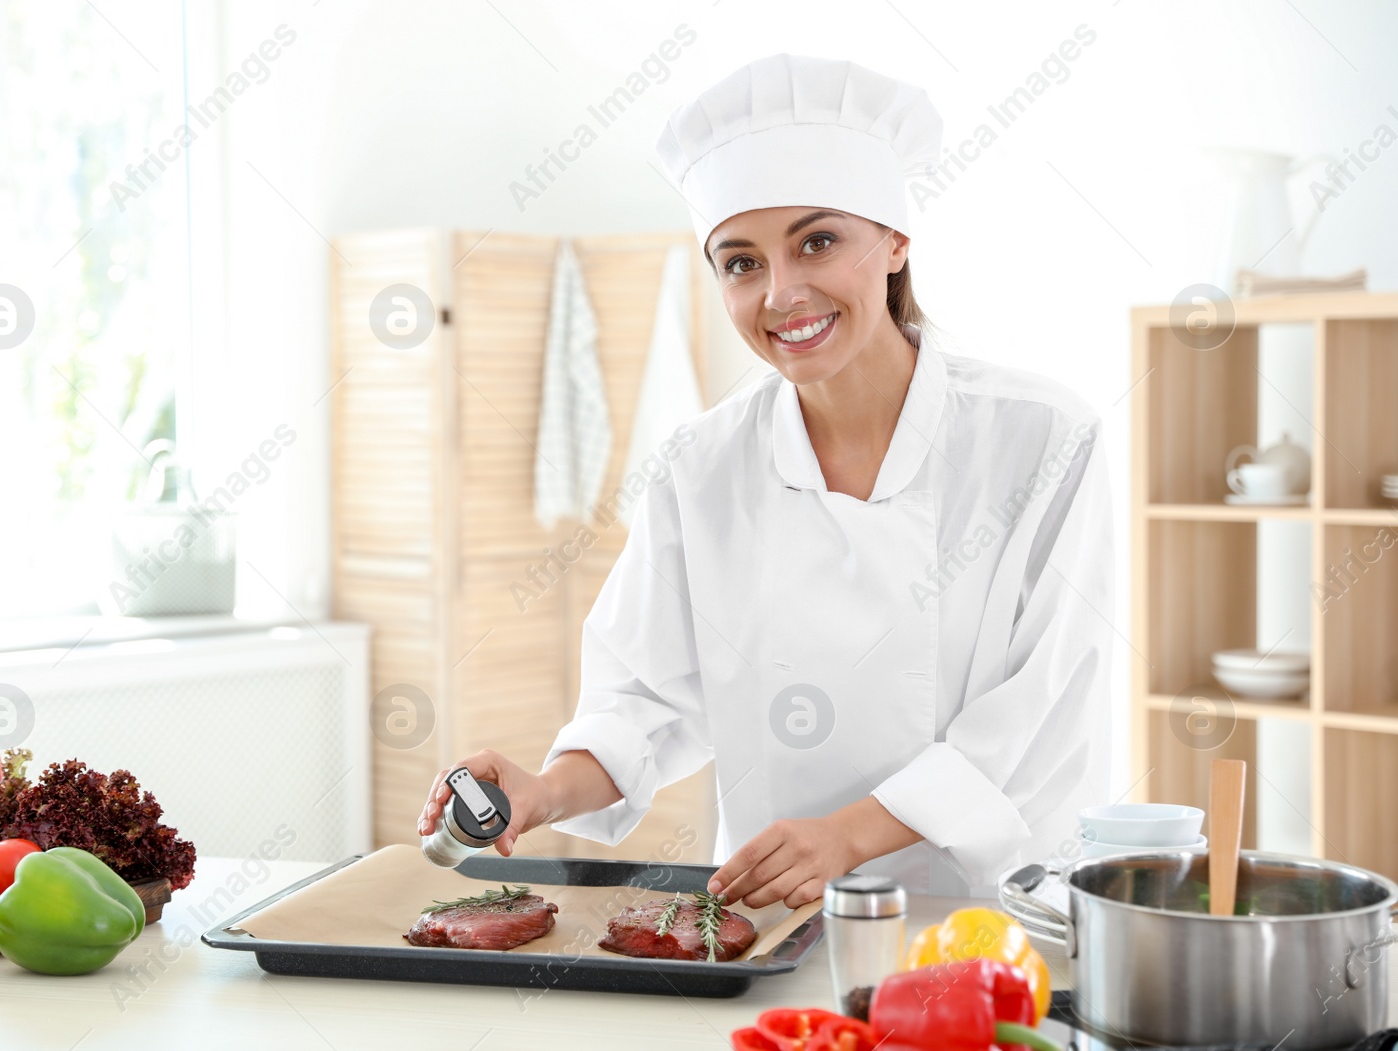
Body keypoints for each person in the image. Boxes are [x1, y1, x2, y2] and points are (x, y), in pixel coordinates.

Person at [419, 53, 1113, 904]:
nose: (782, 293)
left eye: (817, 241)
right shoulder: (701, 467)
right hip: (778, 920)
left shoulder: (1042, 438)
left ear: (895, 241)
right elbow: (641, 698)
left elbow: (1033, 717)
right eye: (741, 262)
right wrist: (542, 788)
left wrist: (845, 837)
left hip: (995, 920)